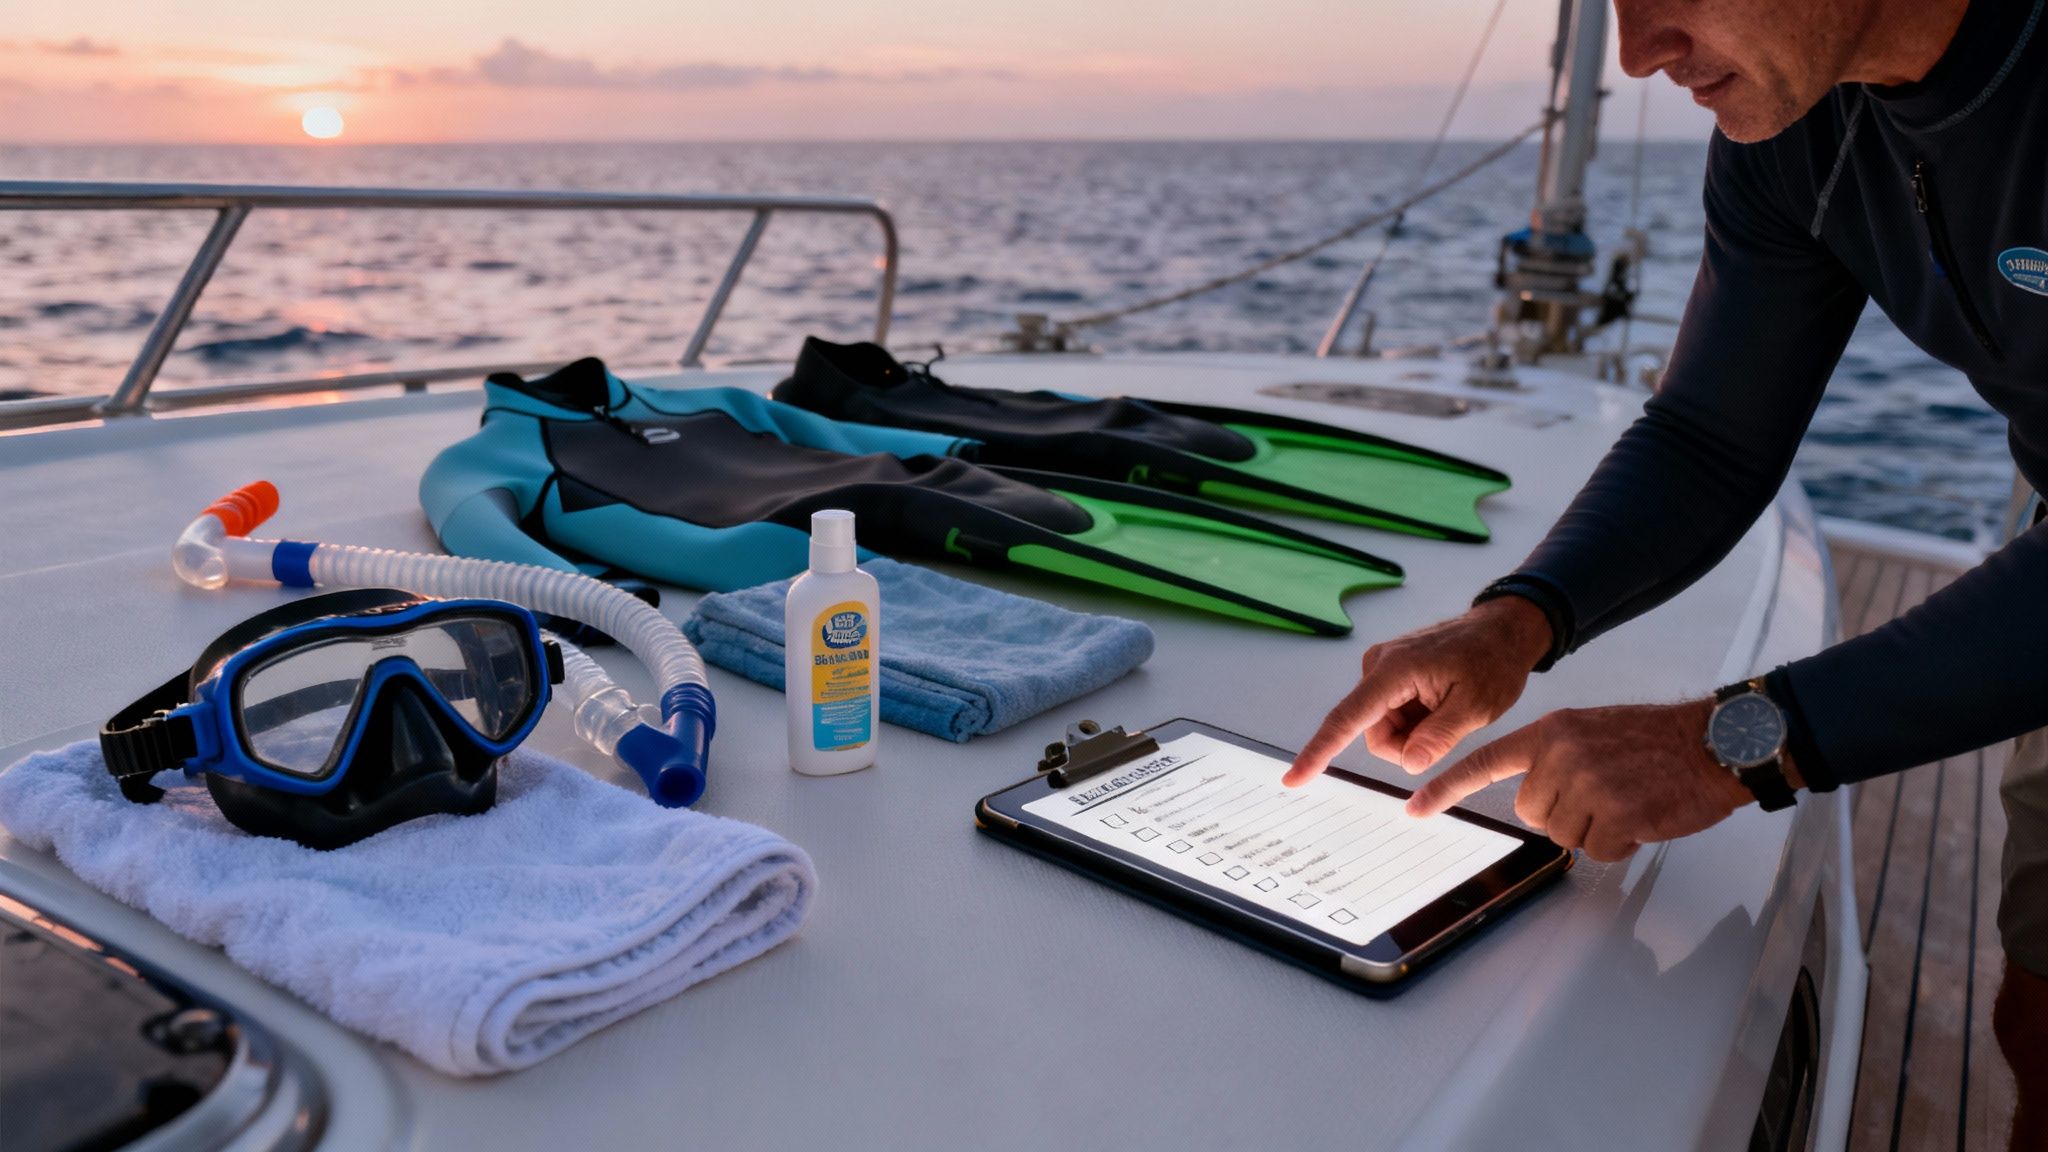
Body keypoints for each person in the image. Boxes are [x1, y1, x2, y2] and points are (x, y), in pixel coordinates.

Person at [1283, 0, 2046, 1146]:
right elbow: (1709, 435)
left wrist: (1729, 741)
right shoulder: (1793, 120)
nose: (1637, 53)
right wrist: (1517, 622)